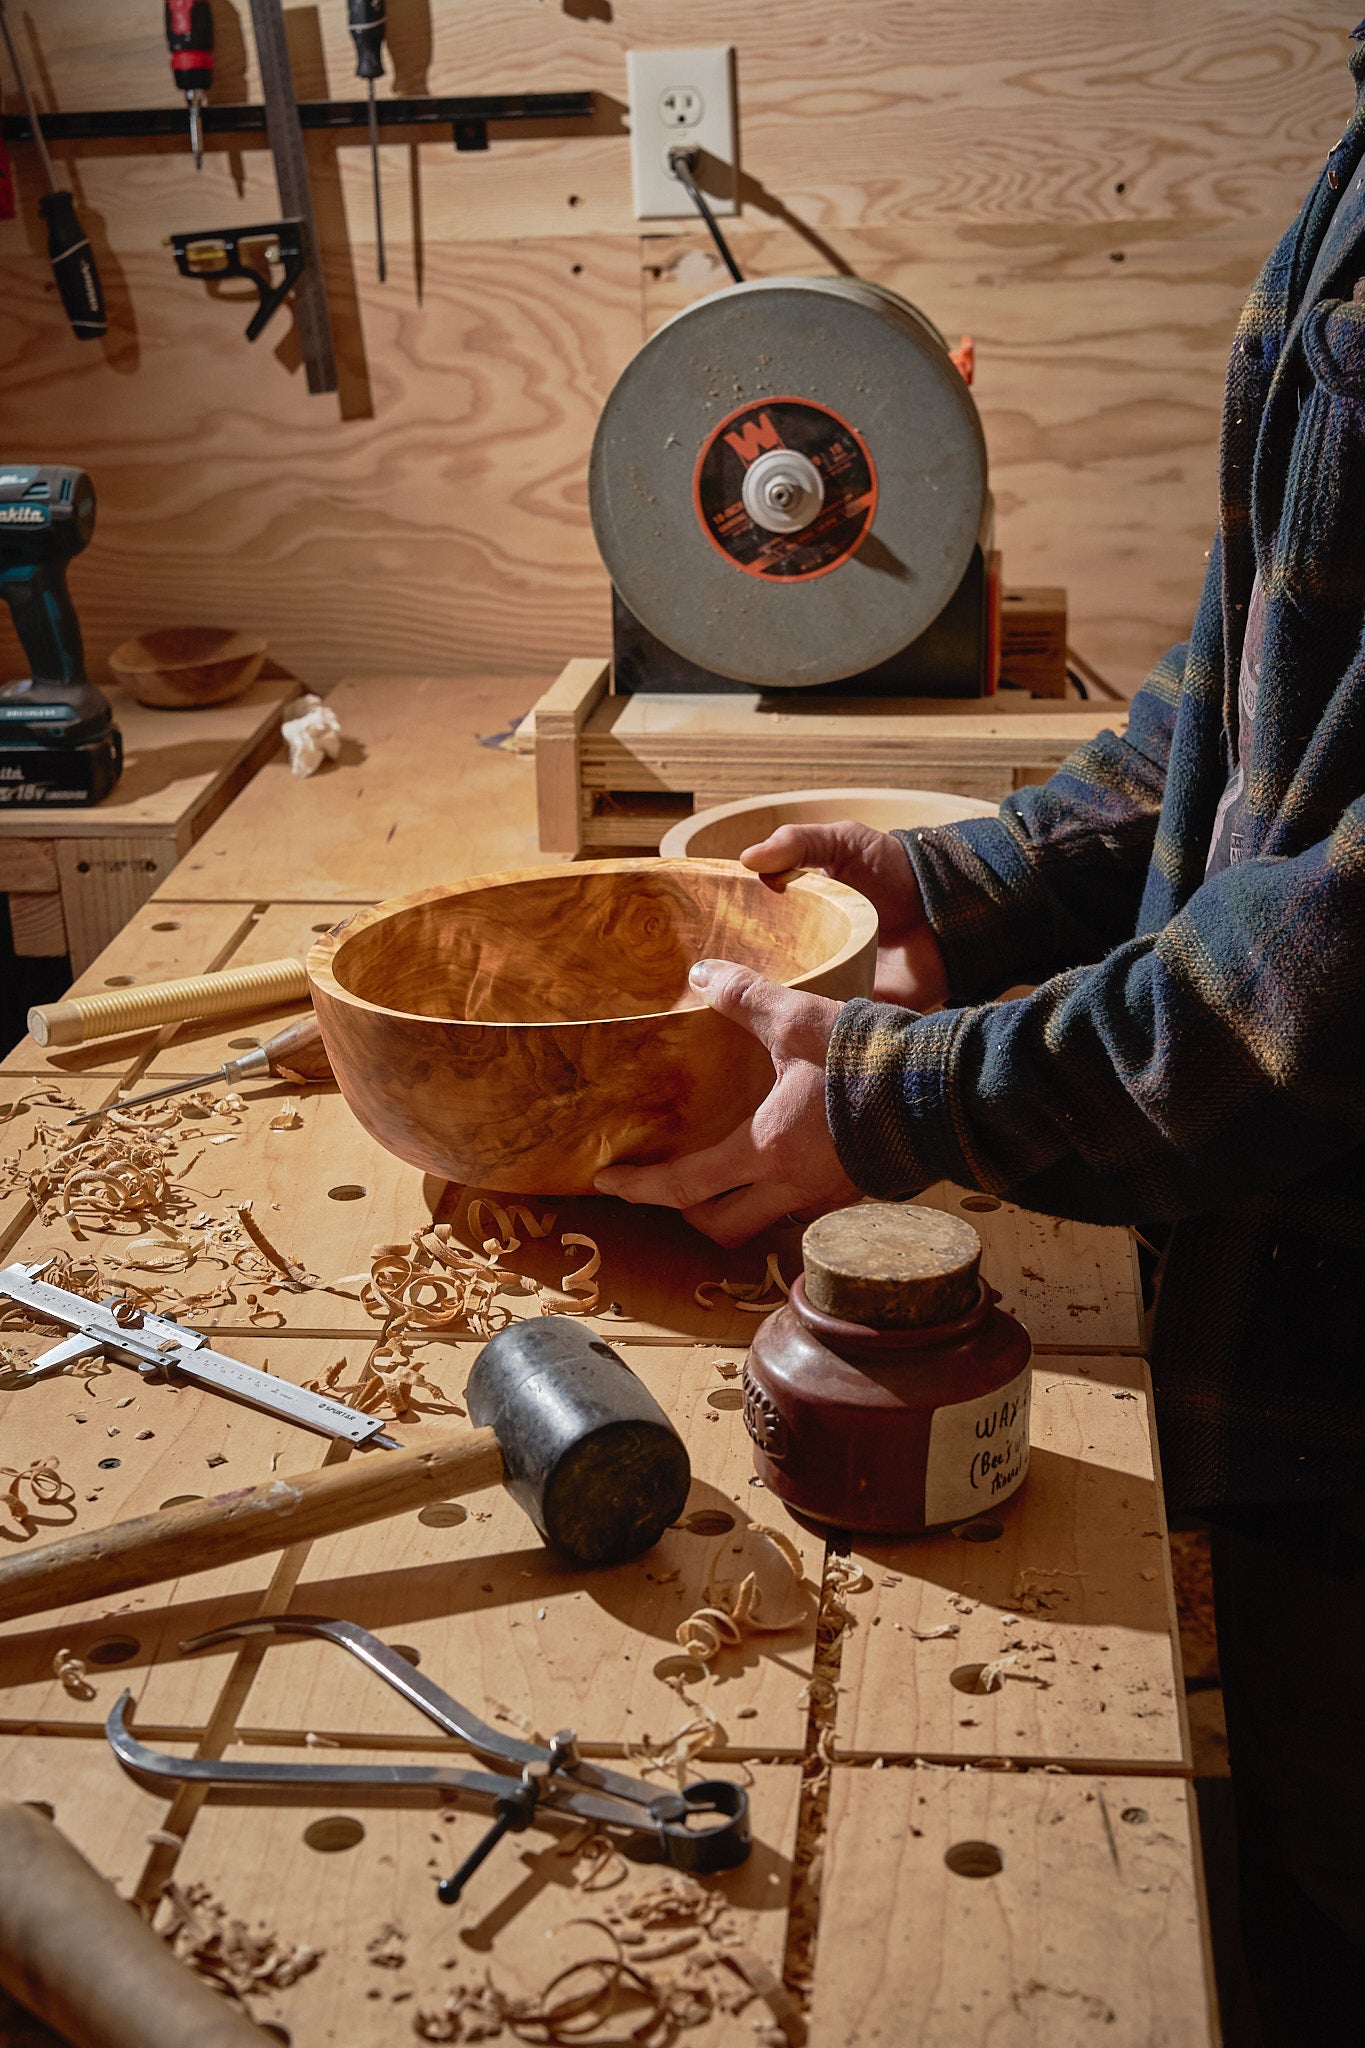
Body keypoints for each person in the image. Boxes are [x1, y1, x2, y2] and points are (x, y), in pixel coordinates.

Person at [597, 23, 1365, 2044]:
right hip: (1282, 1334)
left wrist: (897, 1100)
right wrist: (978, 882)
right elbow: (1247, 695)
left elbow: (1334, 974)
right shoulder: (1361, 146)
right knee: (1290, 1838)